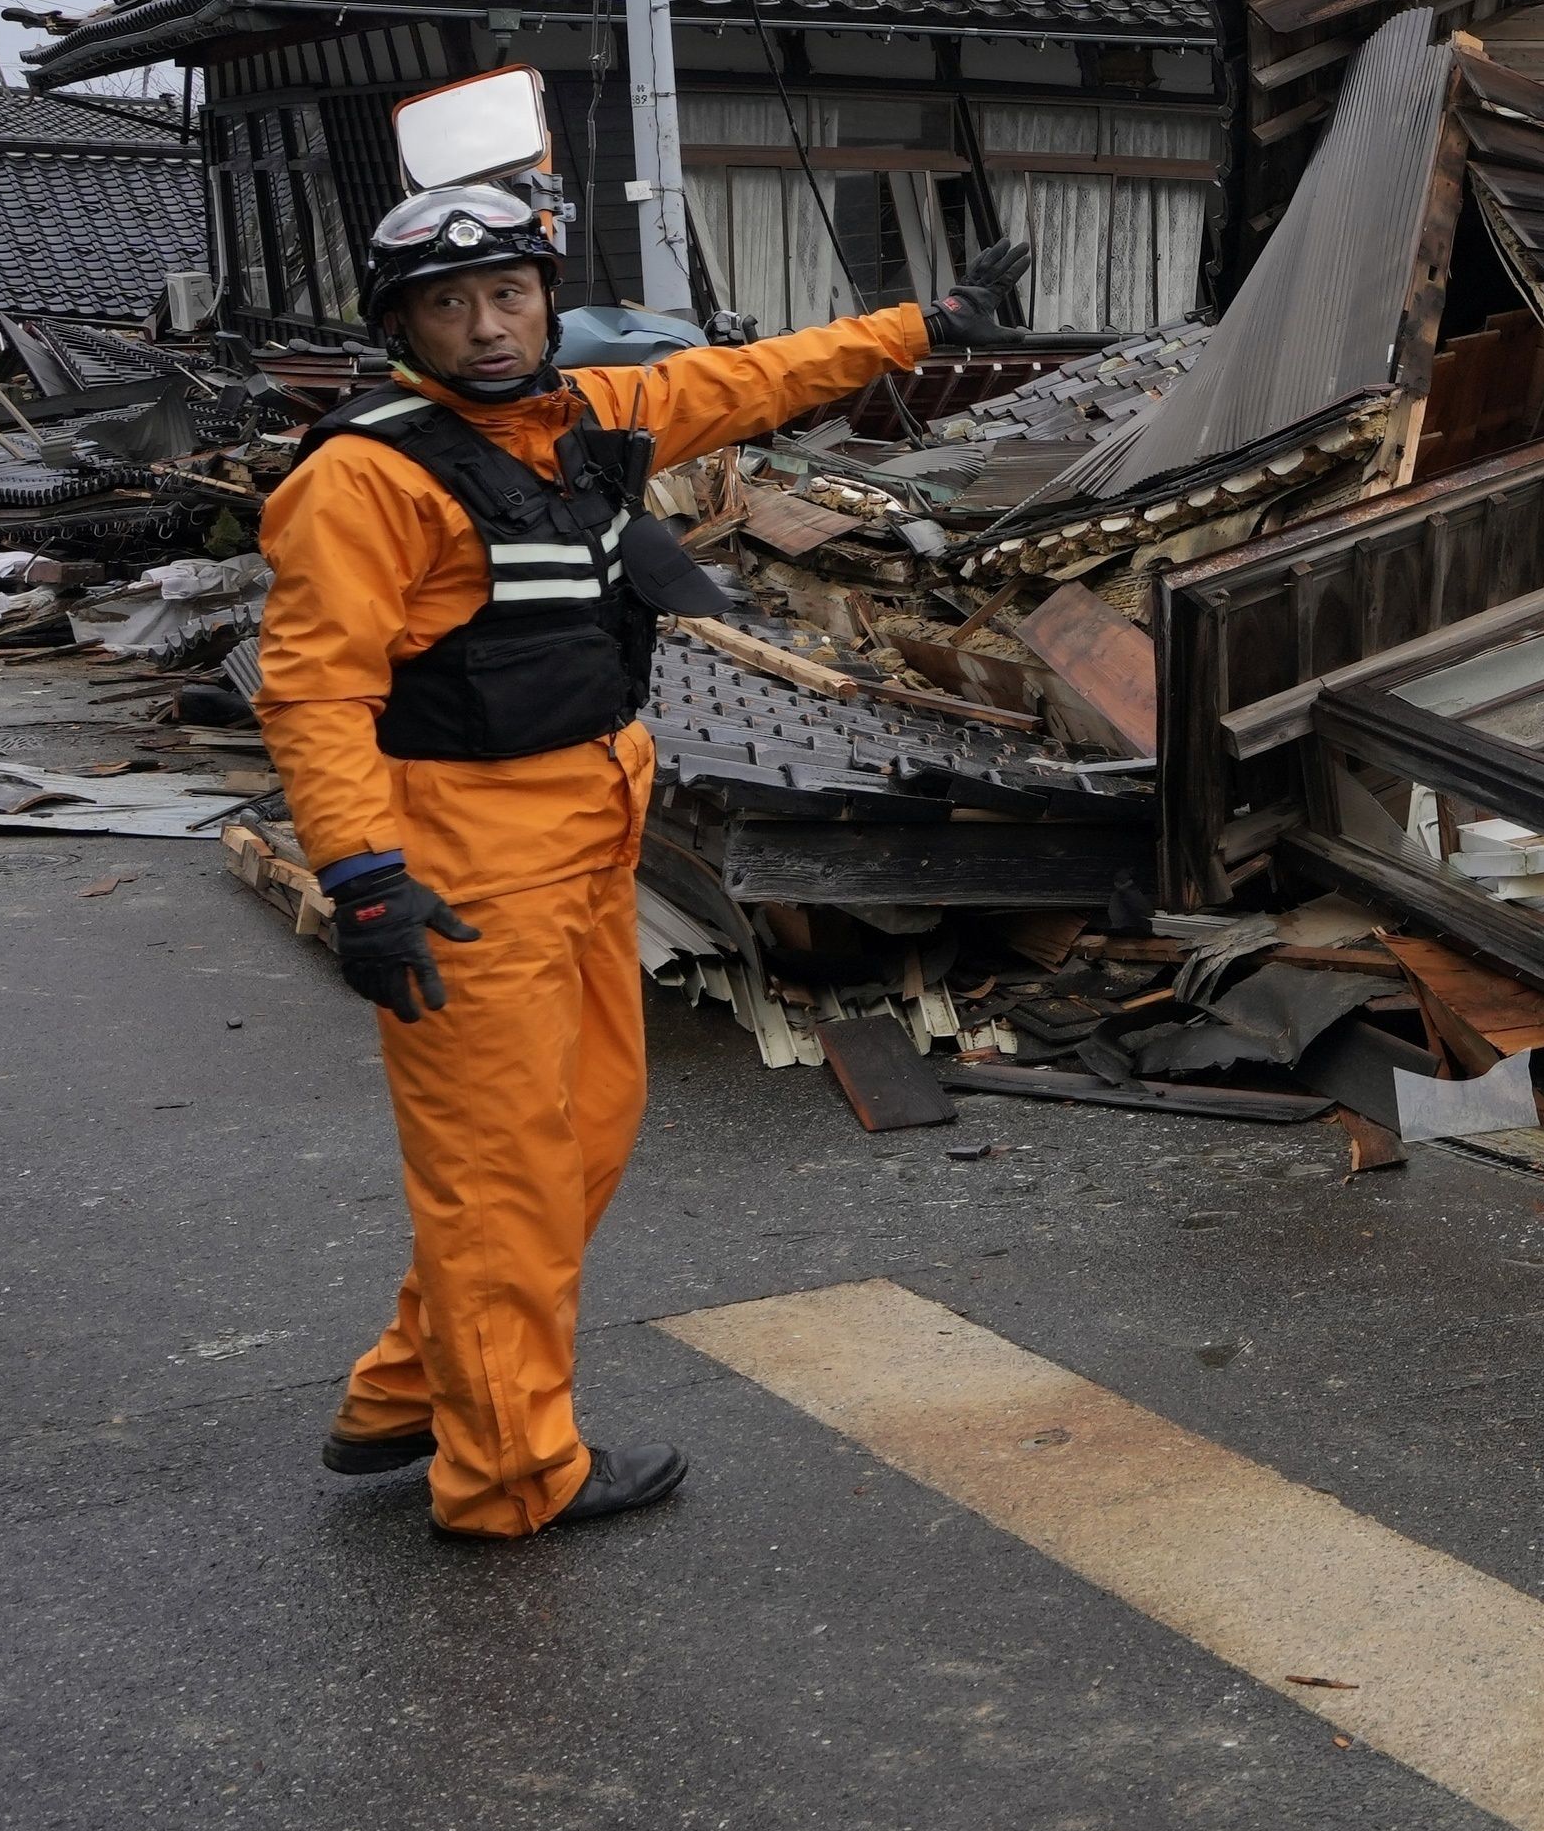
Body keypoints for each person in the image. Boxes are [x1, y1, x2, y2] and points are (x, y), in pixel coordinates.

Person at [259, 180, 1027, 1538]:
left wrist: (925, 324)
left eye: (508, 294)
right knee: (500, 1170)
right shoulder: (361, 478)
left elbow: (748, 375)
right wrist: (363, 872)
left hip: (588, 829)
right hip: (462, 855)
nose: (487, 327)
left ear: (547, 298)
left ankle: (407, 1389)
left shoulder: (579, 420)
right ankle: (506, 1475)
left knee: (584, 1136)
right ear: (403, 326)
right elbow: (317, 695)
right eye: (448, 304)